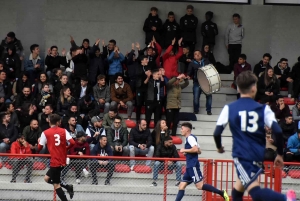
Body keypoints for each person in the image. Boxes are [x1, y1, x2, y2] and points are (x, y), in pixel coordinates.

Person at [213, 71, 296, 201]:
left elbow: (217, 132)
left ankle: (286, 199)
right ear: (254, 88)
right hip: (258, 155)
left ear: (238, 88)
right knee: (237, 193)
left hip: (242, 155)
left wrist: (219, 147)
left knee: (255, 192)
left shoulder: (229, 108)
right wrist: (280, 154)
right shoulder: (264, 109)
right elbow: (278, 132)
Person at [175, 122, 228, 201]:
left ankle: (221, 192)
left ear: (187, 130)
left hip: (193, 166)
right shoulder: (191, 138)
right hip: (189, 166)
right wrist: (188, 152)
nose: (181, 130)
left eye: (182, 129)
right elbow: (199, 151)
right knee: (181, 186)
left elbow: (196, 149)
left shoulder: (190, 138)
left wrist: (184, 150)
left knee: (199, 186)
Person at [38, 114, 75, 201]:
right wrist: (66, 148)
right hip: (62, 159)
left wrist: (39, 141)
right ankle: (67, 187)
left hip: (55, 161)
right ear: (58, 122)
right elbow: (72, 143)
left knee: (56, 185)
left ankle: (66, 195)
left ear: (49, 121)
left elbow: (39, 148)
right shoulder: (64, 131)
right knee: (46, 179)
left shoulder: (45, 133)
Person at [187, 50, 212, 115]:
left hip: (206, 82)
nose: (197, 55)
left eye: (199, 53)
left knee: (209, 96)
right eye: (195, 54)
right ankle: (196, 110)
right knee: (196, 97)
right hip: (197, 82)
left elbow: (211, 69)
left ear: (201, 55)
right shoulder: (192, 63)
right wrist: (188, 76)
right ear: (194, 56)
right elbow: (189, 72)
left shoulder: (206, 61)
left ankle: (209, 110)